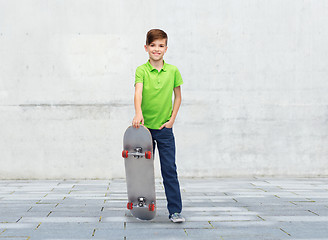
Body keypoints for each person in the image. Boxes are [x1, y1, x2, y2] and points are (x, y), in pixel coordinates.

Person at [132, 29, 185, 223]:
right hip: (144, 131)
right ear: (146, 48)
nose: (157, 49)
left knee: (169, 169)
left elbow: (178, 96)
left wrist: (172, 120)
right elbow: (138, 93)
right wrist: (138, 113)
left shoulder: (173, 71)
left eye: (161, 45)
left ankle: (175, 211)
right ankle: (141, 206)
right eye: (153, 45)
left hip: (165, 130)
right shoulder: (141, 70)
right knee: (142, 172)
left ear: (166, 48)